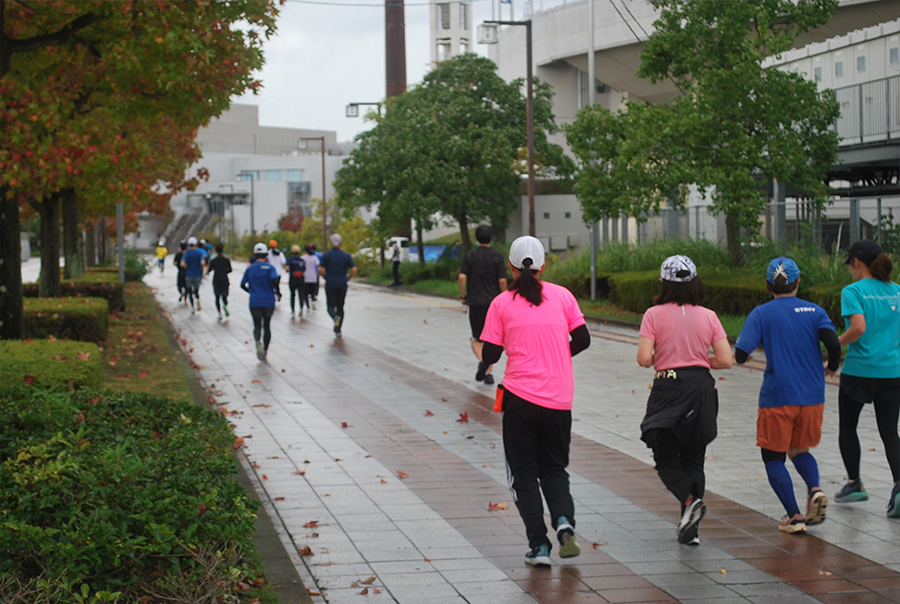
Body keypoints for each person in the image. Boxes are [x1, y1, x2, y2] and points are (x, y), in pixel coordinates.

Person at [479, 236, 590, 567]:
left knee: (523, 473)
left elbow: (490, 353)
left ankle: (539, 546)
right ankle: (564, 521)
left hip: (520, 400)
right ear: (543, 265)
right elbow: (582, 339)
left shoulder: (501, 303)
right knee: (554, 467)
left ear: (510, 267)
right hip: (559, 399)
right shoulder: (563, 296)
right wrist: (556, 352)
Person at [735, 258, 841, 534]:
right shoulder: (815, 310)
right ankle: (815, 489)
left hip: (778, 395)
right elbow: (832, 343)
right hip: (813, 395)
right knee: (799, 450)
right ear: (798, 281)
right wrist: (832, 366)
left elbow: (741, 354)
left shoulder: (761, 313)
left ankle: (794, 515)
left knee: (773, 458)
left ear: (769, 284)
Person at [637, 255, 732, 545]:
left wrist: (665, 357)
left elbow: (643, 358)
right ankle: (690, 530)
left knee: (665, 456)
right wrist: (700, 360)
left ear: (663, 282)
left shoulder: (653, 314)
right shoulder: (709, 315)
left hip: (668, 386)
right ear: (694, 282)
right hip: (702, 388)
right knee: (694, 459)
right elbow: (726, 360)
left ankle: (690, 501)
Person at [835, 239, 900, 517]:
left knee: (848, 426)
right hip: (893, 371)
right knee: (889, 433)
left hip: (860, 371)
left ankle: (854, 484)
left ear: (857, 263)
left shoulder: (853, 291)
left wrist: (836, 344)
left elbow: (858, 327)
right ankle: (899, 487)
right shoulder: (897, 291)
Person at [459, 225, 508, 385]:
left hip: (474, 302)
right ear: (491, 238)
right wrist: (504, 298)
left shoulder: (470, 255)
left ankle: (483, 362)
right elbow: (502, 280)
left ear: (477, 239)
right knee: (492, 339)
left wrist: (463, 296)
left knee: (475, 337)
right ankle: (488, 372)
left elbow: (461, 277)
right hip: (493, 303)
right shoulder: (497, 256)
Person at [241, 242, 279, 361]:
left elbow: (242, 284)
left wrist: (251, 291)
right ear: (266, 254)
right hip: (268, 301)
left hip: (255, 301)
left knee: (257, 325)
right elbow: (275, 281)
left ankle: (257, 341)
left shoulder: (250, 269)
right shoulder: (270, 268)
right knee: (267, 326)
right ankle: (265, 350)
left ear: (254, 254)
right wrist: (277, 292)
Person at [318, 233, 357, 336]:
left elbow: (320, 269)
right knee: (340, 307)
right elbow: (354, 269)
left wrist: (324, 276)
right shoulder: (346, 255)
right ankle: (338, 329)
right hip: (342, 284)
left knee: (330, 306)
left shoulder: (326, 255)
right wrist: (348, 277)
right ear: (340, 243)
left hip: (330, 284)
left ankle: (335, 317)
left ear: (331, 243)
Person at [179, 237, 206, 314]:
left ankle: (192, 307)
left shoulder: (186, 253)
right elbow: (203, 262)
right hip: (197, 275)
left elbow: (182, 263)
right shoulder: (200, 253)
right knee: (196, 291)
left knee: (189, 291)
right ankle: (197, 299)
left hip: (188, 275)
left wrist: (186, 267)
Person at [207, 243, 233, 321]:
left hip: (216, 280)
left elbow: (209, 270)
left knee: (217, 297)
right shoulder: (226, 260)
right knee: (225, 295)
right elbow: (230, 270)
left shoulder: (213, 260)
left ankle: (219, 313)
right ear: (223, 250)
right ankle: (225, 304)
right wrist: (225, 271)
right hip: (224, 279)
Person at [286, 245, 307, 318]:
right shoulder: (302, 260)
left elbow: (287, 268)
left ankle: (293, 310)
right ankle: (301, 308)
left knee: (292, 294)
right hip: (301, 279)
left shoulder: (290, 260)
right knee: (301, 294)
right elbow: (304, 269)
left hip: (293, 279)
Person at [302, 244, 320, 311]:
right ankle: (313, 301)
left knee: (305, 293)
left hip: (306, 278)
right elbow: (318, 265)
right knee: (313, 291)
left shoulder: (303, 258)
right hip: (313, 277)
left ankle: (308, 306)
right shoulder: (314, 257)